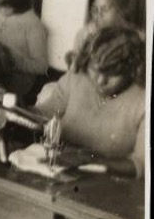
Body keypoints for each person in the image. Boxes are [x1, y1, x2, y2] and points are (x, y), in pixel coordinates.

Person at [35, 26, 145, 179]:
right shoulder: (75, 80)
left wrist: (91, 160)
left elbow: (142, 165)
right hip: (59, 177)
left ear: (134, 70)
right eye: (96, 69)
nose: (101, 81)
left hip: (109, 189)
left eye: (113, 73)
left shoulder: (144, 101)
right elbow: (42, 115)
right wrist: (17, 110)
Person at [67, 0, 135, 65]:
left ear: (120, 10)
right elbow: (74, 67)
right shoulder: (84, 34)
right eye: (95, 10)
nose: (98, 14)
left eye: (104, 9)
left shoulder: (131, 38)